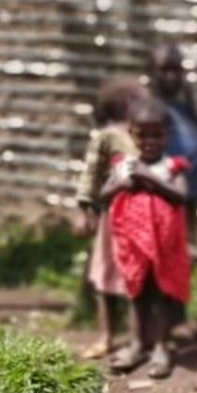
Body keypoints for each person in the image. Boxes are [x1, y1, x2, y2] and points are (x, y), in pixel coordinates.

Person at [101, 97, 191, 379]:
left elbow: (180, 195)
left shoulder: (171, 166)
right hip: (133, 246)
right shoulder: (124, 166)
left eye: (157, 135)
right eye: (143, 135)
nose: (150, 142)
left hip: (164, 247)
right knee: (137, 292)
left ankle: (161, 347)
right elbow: (103, 194)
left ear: (167, 134)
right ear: (132, 134)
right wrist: (121, 183)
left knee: (162, 294)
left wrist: (149, 177)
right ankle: (138, 344)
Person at [73, 76, 146, 360]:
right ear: (127, 103)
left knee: (137, 275)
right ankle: (106, 335)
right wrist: (84, 207)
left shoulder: (144, 132)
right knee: (105, 274)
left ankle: (139, 338)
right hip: (113, 215)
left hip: (142, 215)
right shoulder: (107, 137)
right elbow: (91, 172)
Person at [149, 43, 197, 235]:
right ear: (151, 72)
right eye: (164, 70)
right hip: (160, 194)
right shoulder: (147, 108)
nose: (171, 76)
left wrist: (192, 104)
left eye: (177, 70)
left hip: (190, 194)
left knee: (187, 246)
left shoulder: (186, 109)